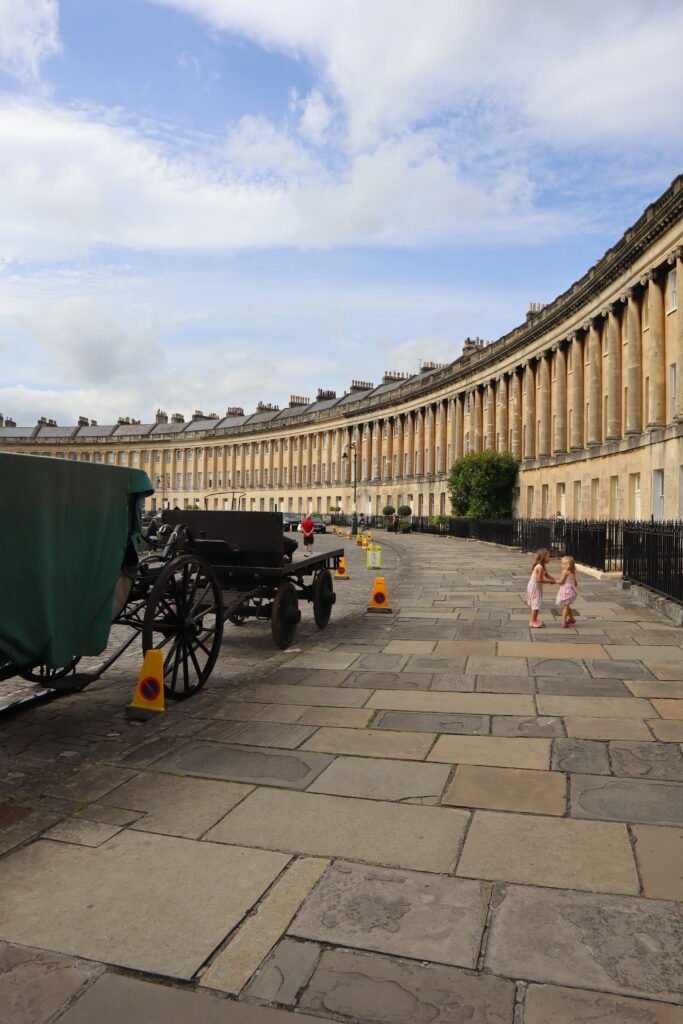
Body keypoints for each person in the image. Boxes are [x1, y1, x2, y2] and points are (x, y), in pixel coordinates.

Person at [525, 548, 557, 628]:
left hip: (537, 586)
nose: (550, 558)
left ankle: (534, 619)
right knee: (536, 603)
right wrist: (550, 582)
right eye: (549, 557)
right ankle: (532, 622)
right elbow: (540, 580)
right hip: (535, 586)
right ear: (543, 557)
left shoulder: (543, 565)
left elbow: (546, 575)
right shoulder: (540, 567)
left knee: (537, 602)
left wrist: (554, 579)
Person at [556, 555, 579, 628]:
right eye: (562, 563)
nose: (563, 565)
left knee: (565, 607)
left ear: (570, 565)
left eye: (565, 564)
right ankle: (572, 619)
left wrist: (554, 581)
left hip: (566, 591)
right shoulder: (573, 572)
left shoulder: (565, 572)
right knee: (567, 606)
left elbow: (561, 582)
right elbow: (575, 583)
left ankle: (564, 622)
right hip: (571, 591)